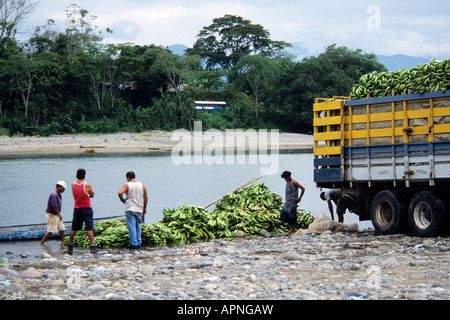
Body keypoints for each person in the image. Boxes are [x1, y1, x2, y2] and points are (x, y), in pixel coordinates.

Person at [67, 169, 97, 255]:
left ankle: (70, 245)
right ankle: (92, 245)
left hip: (77, 208)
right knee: (89, 227)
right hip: (86, 208)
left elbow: (75, 194)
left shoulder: (73, 184)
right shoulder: (86, 185)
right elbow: (92, 194)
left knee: (74, 228)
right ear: (84, 175)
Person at [118, 171, 148, 249]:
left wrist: (123, 200)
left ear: (128, 178)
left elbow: (120, 192)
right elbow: (145, 197)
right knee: (138, 225)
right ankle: (139, 242)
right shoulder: (142, 185)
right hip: (139, 208)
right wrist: (144, 208)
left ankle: (133, 243)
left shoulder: (127, 185)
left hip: (130, 208)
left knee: (131, 226)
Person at [40, 181, 67, 245]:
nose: (64, 190)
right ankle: (41, 243)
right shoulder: (54, 194)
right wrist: (59, 214)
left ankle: (63, 244)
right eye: (63, 188)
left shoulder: (58, 194)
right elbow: (54, 206)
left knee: (62, 229)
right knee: (50, 231)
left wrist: (58, 215)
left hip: (56, 215)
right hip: (52, 215)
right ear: (59, 187)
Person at [280, 171, 306, 235]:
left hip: (293, 202)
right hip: (287, 202)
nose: (285, 179)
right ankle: (290, 228)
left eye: (285, 178)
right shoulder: (287, 181)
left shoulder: (294, 182)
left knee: (292, 216)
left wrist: (300, 198)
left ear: (289, 177)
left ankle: (293, 230)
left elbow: (303, 188)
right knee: (284, 214)